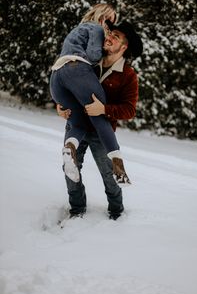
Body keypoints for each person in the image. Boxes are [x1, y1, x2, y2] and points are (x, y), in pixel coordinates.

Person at [57, 19, 143, 220]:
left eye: (117, 36)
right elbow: (67, 82)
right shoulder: (89, 60)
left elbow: (129, 110)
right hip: (77, 125)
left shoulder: (128, 75)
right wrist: (60, 105)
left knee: (108, 174)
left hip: (101, 132)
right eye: (111, 33)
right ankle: (77, 209)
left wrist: (103, 109)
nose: (110, 37)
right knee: (70, 168)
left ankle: (116, 212)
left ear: (124, 46)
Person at [50, 3, 130, 186]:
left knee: (77, 120)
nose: (109, 28)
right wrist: (102, 50)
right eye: (109, 22)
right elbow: (93, 56)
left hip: (56, 78)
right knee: (98, 114)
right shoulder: (96, 28)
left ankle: (70, 146)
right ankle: (118, 164)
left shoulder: (77, 30)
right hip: (77, 70)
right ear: (102, 17)